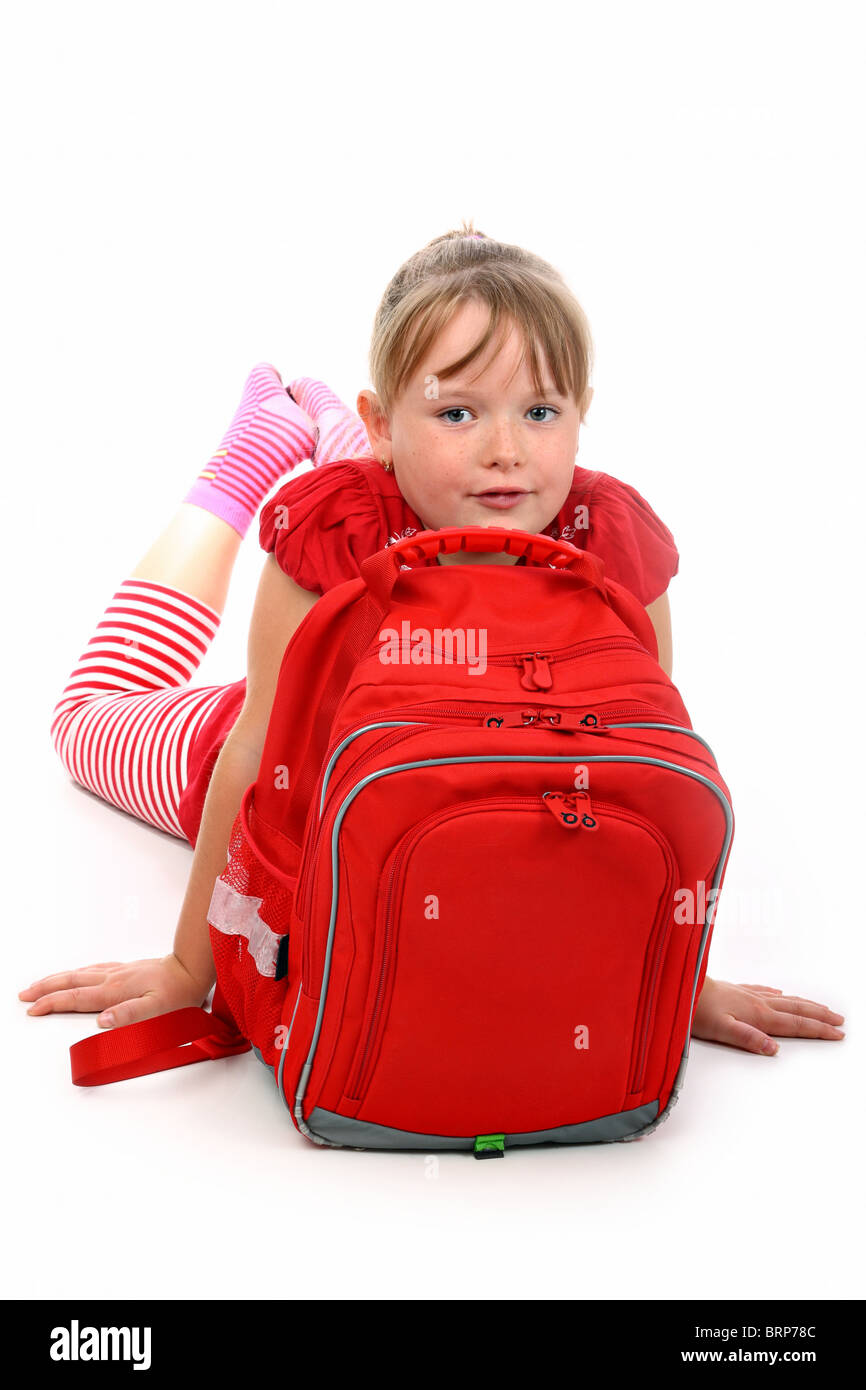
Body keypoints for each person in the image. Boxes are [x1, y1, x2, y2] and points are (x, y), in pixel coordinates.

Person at [20, 221, 844, 1060]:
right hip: (274, 737)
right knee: (86, 715)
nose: (507, 450)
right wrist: (189, 966)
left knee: (439, 487)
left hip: (426, 644)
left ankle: (353, 422)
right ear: (386, 424)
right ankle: (247, 460)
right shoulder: (334, 538)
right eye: (460, 410)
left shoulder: (611, 546)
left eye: (541, 410)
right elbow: (254, 753)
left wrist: (678, 979)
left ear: (581, 414)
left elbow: (644, 773)